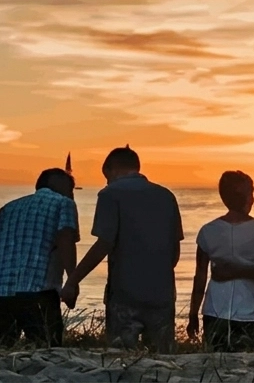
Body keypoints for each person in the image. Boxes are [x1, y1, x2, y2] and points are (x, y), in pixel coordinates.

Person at [72, 146, 184, 353]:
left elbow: (103, 245)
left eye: (106, 176)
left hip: (125, 293)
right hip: (162, 292)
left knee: (121, 355)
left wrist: (73, 280)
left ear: (111, 169)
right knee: (163, 358)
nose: (107, 181)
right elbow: (174, 252)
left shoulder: (110, 194)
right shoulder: (166, 196)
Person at [0, 168, 80, 346]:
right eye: (70, 189)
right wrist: (72, 282)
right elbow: (65, 239)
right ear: (64, 187)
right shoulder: (64, 203)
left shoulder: (8, 208)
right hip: (39, 291)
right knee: (47, 349)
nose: (72, 194)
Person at [187, 170, 254, 352]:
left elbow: (200, 278)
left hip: (215, 310)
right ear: (246, 197)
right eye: (251, 192)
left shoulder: (208, 231)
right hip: (252, 311)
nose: (253, 198)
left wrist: (193, 314)